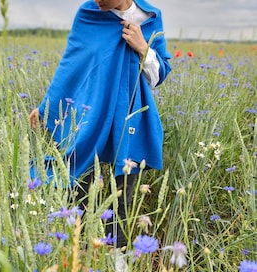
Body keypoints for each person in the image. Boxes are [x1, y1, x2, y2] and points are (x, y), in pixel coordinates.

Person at [29, 0, 171, 248]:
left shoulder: (149, 17)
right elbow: (71, 64)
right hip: (90, 113)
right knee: (80, 182)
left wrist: (143, 48)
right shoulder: (88, 13)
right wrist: (47, 108)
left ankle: (117, 252)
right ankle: (79, 248)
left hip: (129, 116)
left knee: (123, 194)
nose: (98, 0)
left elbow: (158, 77)